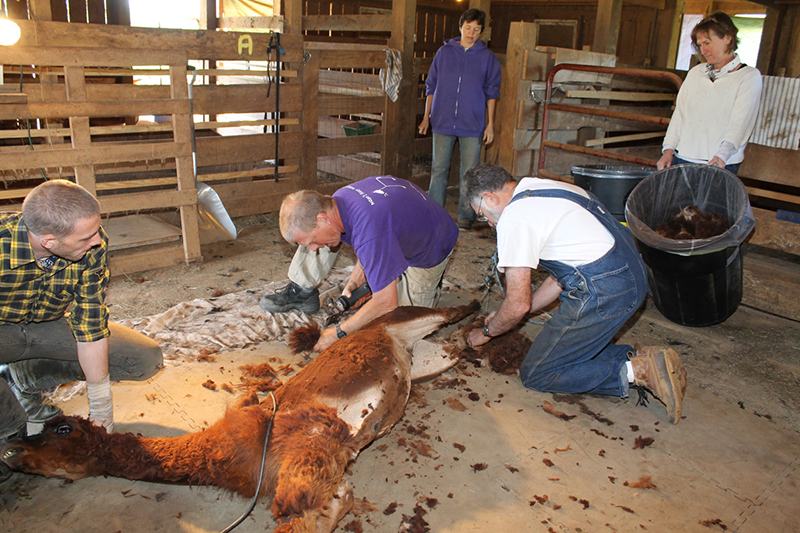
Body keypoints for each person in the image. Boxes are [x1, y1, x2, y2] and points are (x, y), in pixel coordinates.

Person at [463, 164, 688, 424]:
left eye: (482, 215)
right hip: (632, 277)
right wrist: (516, 312)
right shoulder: (542, 187)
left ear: (489, 197)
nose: (488, 223)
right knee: (554, 349)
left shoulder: (514, 217)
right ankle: (648, 359)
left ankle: (638, 371)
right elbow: (558, 278)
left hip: (604, 290)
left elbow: (516, 305)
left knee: (538, 372)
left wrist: (487, 332)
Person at [0, 180, 163, 480]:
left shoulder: (92, 244)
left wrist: (101, 407)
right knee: (12, 443)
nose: (97, 241)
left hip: (46, 325)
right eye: (86, 237)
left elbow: (89, 323)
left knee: (142, 358)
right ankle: (9, 423)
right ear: (48, 241)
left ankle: (22, 383)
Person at [260, 176, 458, 352]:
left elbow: (386, 302)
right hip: (399, 226)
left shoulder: (369, 232)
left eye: (311, 240)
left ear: (322, 219)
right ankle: (302, 289)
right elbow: (367, 240)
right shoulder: (338, 201)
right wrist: (355, 280)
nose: (312, 249)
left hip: (432, 245)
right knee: (363, 252)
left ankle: (423, 286)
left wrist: (337, 332)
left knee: (403, 327)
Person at [418, 8, 501, 229]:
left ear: (481, 32)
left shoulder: (487, 58)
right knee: (439, 168)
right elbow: (431, 86)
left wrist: (490, 124)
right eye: (468, 27)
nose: (471, 32)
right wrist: (426, 117)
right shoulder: (444, 53)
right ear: (460, 27)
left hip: (472, 123)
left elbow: (492, 92)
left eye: (476, 29)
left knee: (469, 172)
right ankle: (434, 212)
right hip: (442, 119)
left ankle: (466, 216)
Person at [657, 11, 762, 175]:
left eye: (707, 42)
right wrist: (668, 149)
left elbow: (740, 122)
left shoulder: (748, 77)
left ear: (727, 37)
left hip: (719, 163)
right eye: (699, 45)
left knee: (711, 202)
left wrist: (722, 155)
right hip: (683, 157)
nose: (703, 49)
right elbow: (680, 114)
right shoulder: (695, 73)